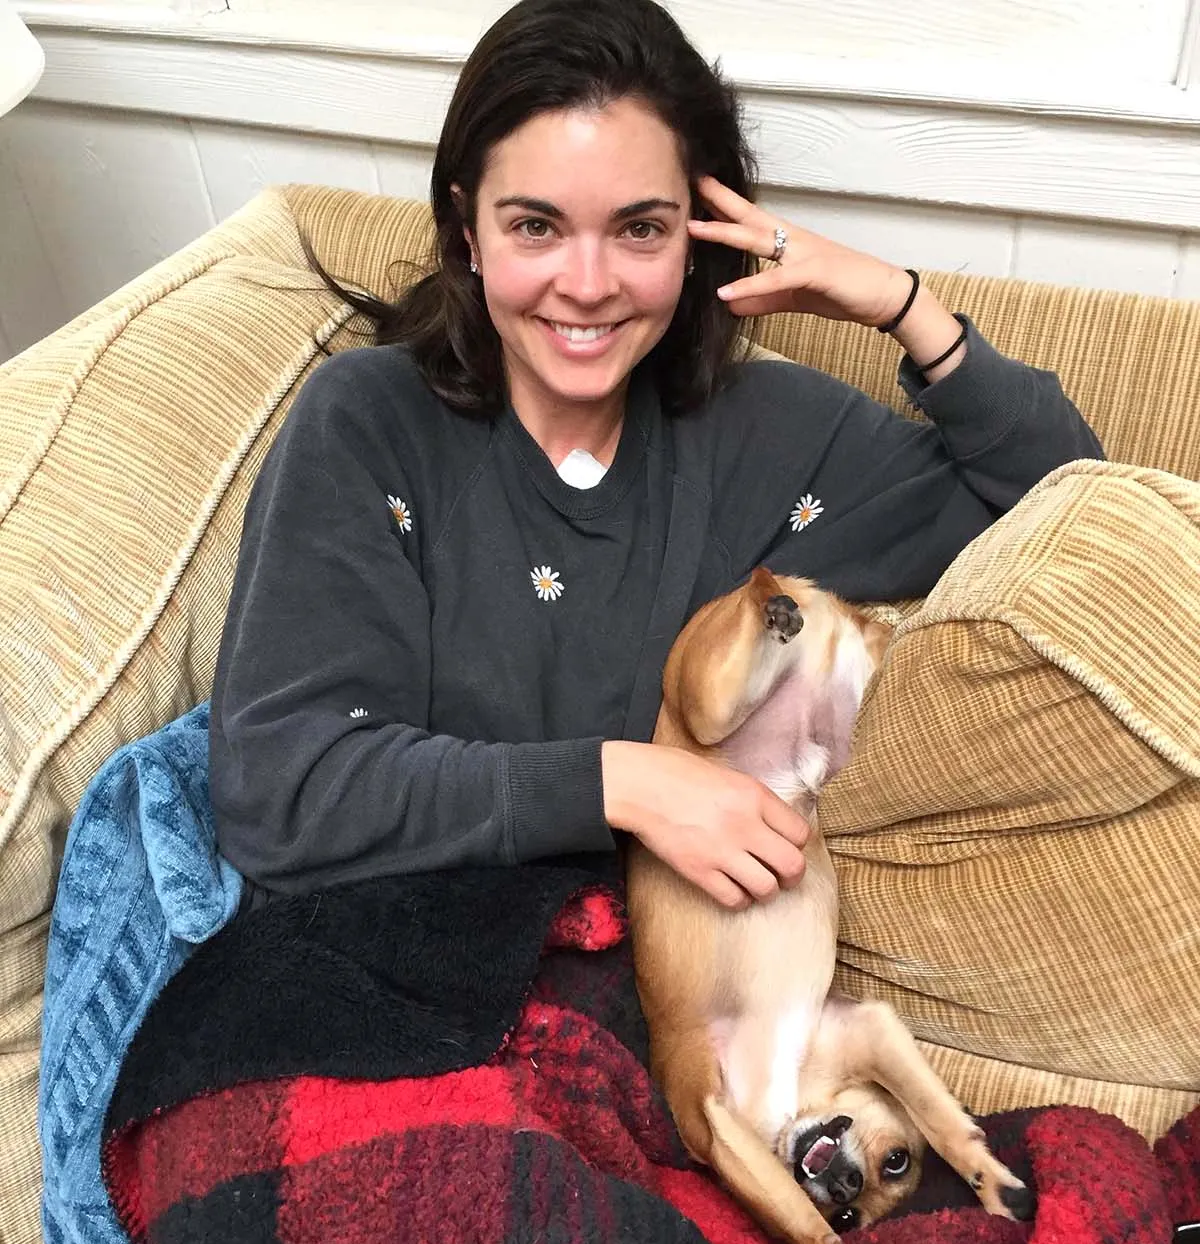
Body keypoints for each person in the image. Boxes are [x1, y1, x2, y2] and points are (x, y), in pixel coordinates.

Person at [208, 0, 1101, 914]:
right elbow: (281, 793)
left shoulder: (765, 433)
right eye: (535, 227)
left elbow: (1071, 509)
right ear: (467, 229)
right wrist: (625, 784)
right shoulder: (367, 422)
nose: (588, 286)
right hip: (380, 951)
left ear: (696, 235)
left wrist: (901, 306)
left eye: (640, 229)